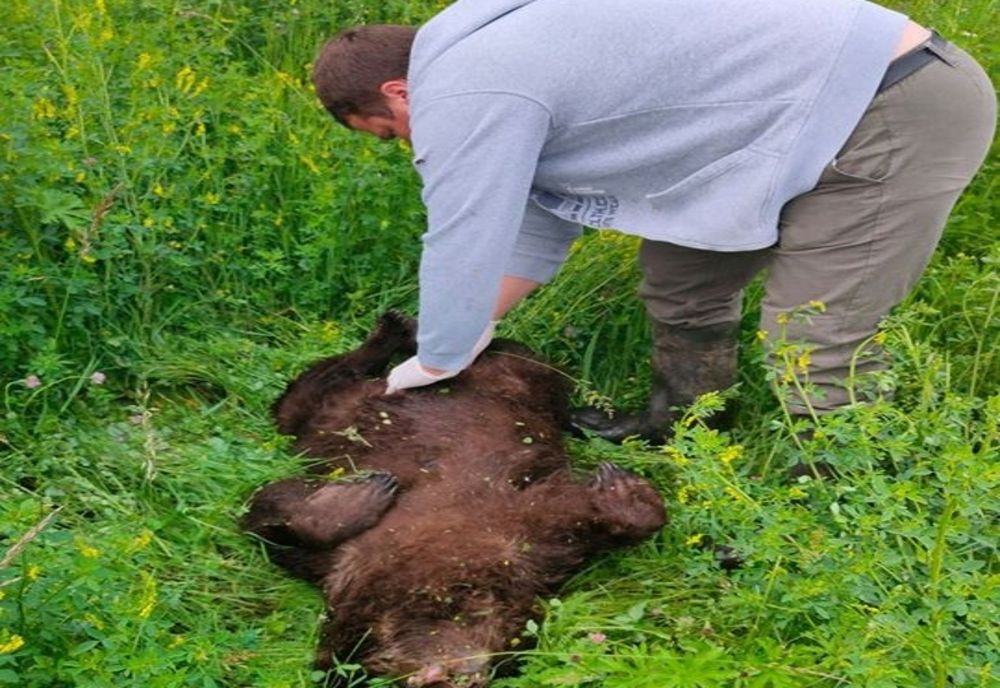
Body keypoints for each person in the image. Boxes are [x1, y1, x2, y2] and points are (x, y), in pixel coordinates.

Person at [311, 0, 995, 443]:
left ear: (399, 91)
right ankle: (690, 428)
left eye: (388, 133)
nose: (407, 147)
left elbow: (463, 229)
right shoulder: (483, 58)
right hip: (782, 119)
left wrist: (434, 354)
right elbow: (535, 220)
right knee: (680, 278)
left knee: (814, 332)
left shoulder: (466, 85)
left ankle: (836, 504)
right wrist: (470, 331)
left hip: (895, 101)